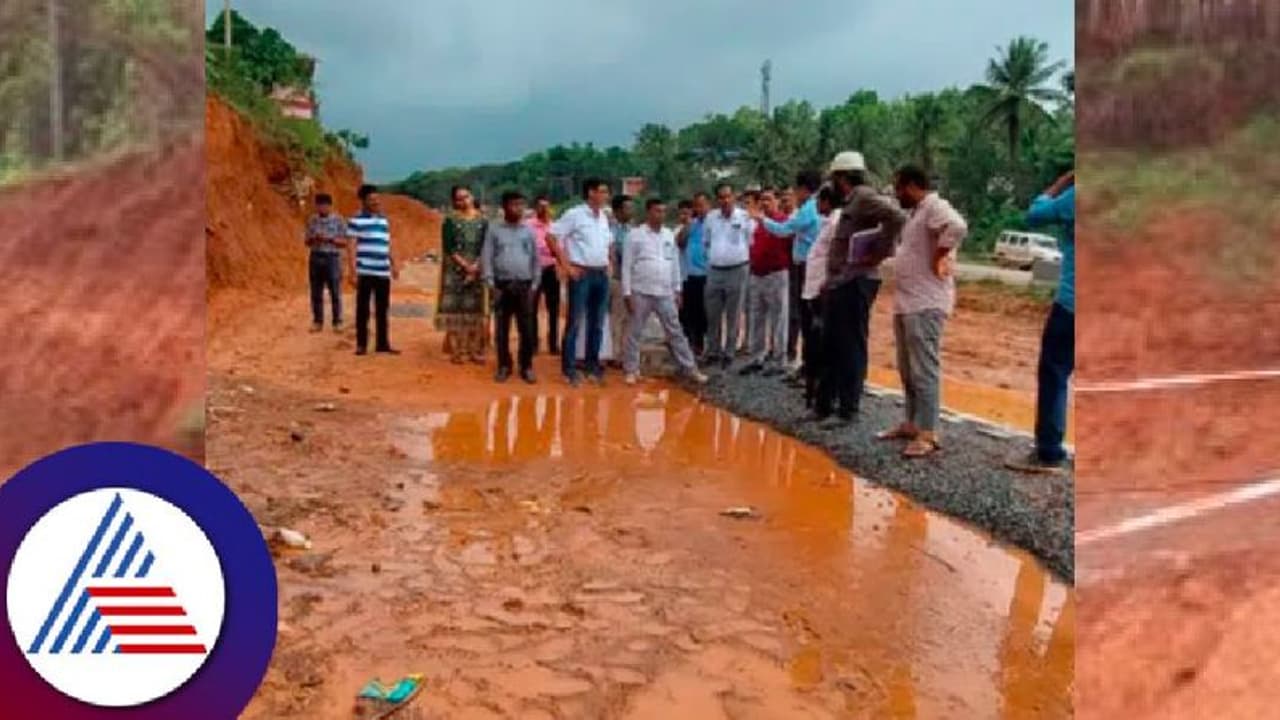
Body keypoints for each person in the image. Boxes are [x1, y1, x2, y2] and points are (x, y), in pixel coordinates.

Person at [876, 165, 968, 458]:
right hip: (908, 302)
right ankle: (912, 422)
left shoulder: (934, 206)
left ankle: (928, 432)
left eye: (899, 188)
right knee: (907, 368)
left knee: (924, 369)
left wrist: (940, 255)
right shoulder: (917, 213)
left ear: (913, 186)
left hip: (927, 303)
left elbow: (957, 227)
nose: (897, 194)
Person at [816, 151, 906, 422]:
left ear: (842, 177)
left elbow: (897, 217)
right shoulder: (851, 201)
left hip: (856, 281)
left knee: (851, 346)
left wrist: (879, 252)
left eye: (834, 177)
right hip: (840, 281)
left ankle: (848, 409)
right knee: (831, 344)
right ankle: (825, 406)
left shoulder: (865, 197)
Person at [1007, 170, 1075, 474]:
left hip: (1073, 304)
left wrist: (1060, 184)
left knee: (1054, 374)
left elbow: (1034, 215)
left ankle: (1048, 452)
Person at [621, 198, 709, 386]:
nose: (660, 215)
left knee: (676, 331)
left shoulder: (669, 235)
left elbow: (675, 263)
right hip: (641, 290)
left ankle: (690, 369)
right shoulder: (635, 235)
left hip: (665, 292)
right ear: (648, 212)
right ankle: (631, 370)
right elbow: (626, 265)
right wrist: (627, 293)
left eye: (663, 211)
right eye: (656, 211)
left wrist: (677, 289)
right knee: (635, 331)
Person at [754, 170, 822, 371]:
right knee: (803, 315)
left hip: (807, 266)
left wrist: (762, 220)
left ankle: (806, 366)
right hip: (804, 265)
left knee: (805, 316)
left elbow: (784, 230)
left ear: (803, 189)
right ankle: (806, 366)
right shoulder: (810, 207)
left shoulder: (809, 209)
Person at [548, 177, 613, 386]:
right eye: (602, 191)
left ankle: (592, 366)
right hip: (582, 274)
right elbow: (551, 237)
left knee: (597, 323)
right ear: (591, 193)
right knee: (574, 322)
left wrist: (609, 263)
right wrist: (566, 266)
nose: (605, 196)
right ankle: (569, 370)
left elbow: (608, 243)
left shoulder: (603, 217)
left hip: (601, 275)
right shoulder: (575, 214)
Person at [482, 191, 540, 384]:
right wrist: (490, 283)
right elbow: (487, 257)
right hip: (502, 285)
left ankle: (526, 366)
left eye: (521, 205)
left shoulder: (528, 231)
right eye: (514, 205)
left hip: (525, 285)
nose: (519, 209)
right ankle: (504, 366)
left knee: (527, 329)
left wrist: (535, 284)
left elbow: (536, 259)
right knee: (502, 329)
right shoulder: (494, 230)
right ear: (505, 207)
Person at [741, 188, 791, 375]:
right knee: (757, 317)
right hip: (757, 274)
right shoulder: (757, 223)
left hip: (776, 274)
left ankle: (779, 360)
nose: (765, 203)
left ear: (777, 201)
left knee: (778, 318)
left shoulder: (783, 221)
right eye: (762, 199)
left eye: (769, 199)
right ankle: (757, 357)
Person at [437, 185, 490, 364]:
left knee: (475, 311)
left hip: (478, 269)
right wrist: (466, 266)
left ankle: (474, 350)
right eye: (459, 199)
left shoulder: (483, 221)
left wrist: (476, 266)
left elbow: (486, 246)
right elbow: (449, 247)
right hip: (455, 271)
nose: (464, 201)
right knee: (456, 311)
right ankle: (457, 350)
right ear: (454, 201)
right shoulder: (450, 221)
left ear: (472, 196)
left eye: (466, 196)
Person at [702, 183, 752, 369]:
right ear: (717, 200)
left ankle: (729, 352)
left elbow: (750, 241)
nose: (725, 200)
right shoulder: (711, 218)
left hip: (737, 269)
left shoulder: (744, 217)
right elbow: (706, 242)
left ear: (734, 197)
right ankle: (713, 351)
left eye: (728, 196)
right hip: (715, 270)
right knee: (712, 313)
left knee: (734, 313)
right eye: (722, 197)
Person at [348, 184, 400, 356]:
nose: (376, 202)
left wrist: (394, 264)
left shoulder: (383, 220)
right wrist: (352, 271)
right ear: (363, 201)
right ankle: (361, 344)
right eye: (372, 199)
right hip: (365, 271)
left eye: (377, 199)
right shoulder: (355, 221)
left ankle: (382, 343)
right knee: (362, 309)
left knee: (382, 309)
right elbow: (351, 247)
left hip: (382, 271)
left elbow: (387, 243)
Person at [799, 185, 839, 406]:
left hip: (821, 291)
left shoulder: (835, 222)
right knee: (811, 340)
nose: (815, 205)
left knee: (818, 342)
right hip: (813, 290)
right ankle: (812, 390)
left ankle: (820, 393)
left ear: (826, 201)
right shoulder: (827, 222)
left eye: (818, 201)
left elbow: (834, 256)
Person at [304, 193, 347, 333]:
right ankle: (317, 321)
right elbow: (306, 241)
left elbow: (345, 242)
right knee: (316, 291)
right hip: (316, 257)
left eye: (324, 205)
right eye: (319, 205)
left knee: (335, 290)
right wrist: (314, 238)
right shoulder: (312, 220)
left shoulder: (338, 220)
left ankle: (337, 322)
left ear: (330, 206)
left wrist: (330, 239)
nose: (322, 208)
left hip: (332, 258)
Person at [677, 193, 710, 355]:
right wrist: (688, 226)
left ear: (708, 205)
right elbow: (680, 242)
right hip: (689, 274)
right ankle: (691, 344)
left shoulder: (713, 223)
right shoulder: (692, 225)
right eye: (696, 206)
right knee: (688, 311)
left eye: (701, 205)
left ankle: (702, 343)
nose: (699, 209)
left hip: (707, 274)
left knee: (703, 312)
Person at [528, 196, 560, 354]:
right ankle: (533, 343)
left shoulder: (555, 227)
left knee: (553, 308)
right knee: (531, 307)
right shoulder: (528, 226)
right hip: (533, 269)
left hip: (551, 269)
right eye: (541, 206)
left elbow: (560, 248)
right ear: (535, 208)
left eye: (546, 206)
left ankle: (553, 344)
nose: (544, 209)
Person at [608, 194, 635, 366]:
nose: (631, 211)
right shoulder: (612, 231)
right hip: (617, 278)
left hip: (631, 279)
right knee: (617, 316)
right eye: (627, 208)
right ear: (618, 211)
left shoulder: (631, 229)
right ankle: (615, 354)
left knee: (629, 317)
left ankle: (624, 353)